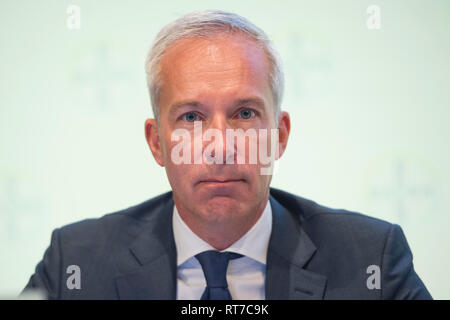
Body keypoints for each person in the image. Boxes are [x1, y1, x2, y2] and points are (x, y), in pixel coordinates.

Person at [22, 10, 432, 300]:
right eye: (191, 116)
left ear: (280, 134)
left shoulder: (371, 260)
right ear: (157, 143)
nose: (220, 145)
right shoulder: (75, 262)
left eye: (245, 113)